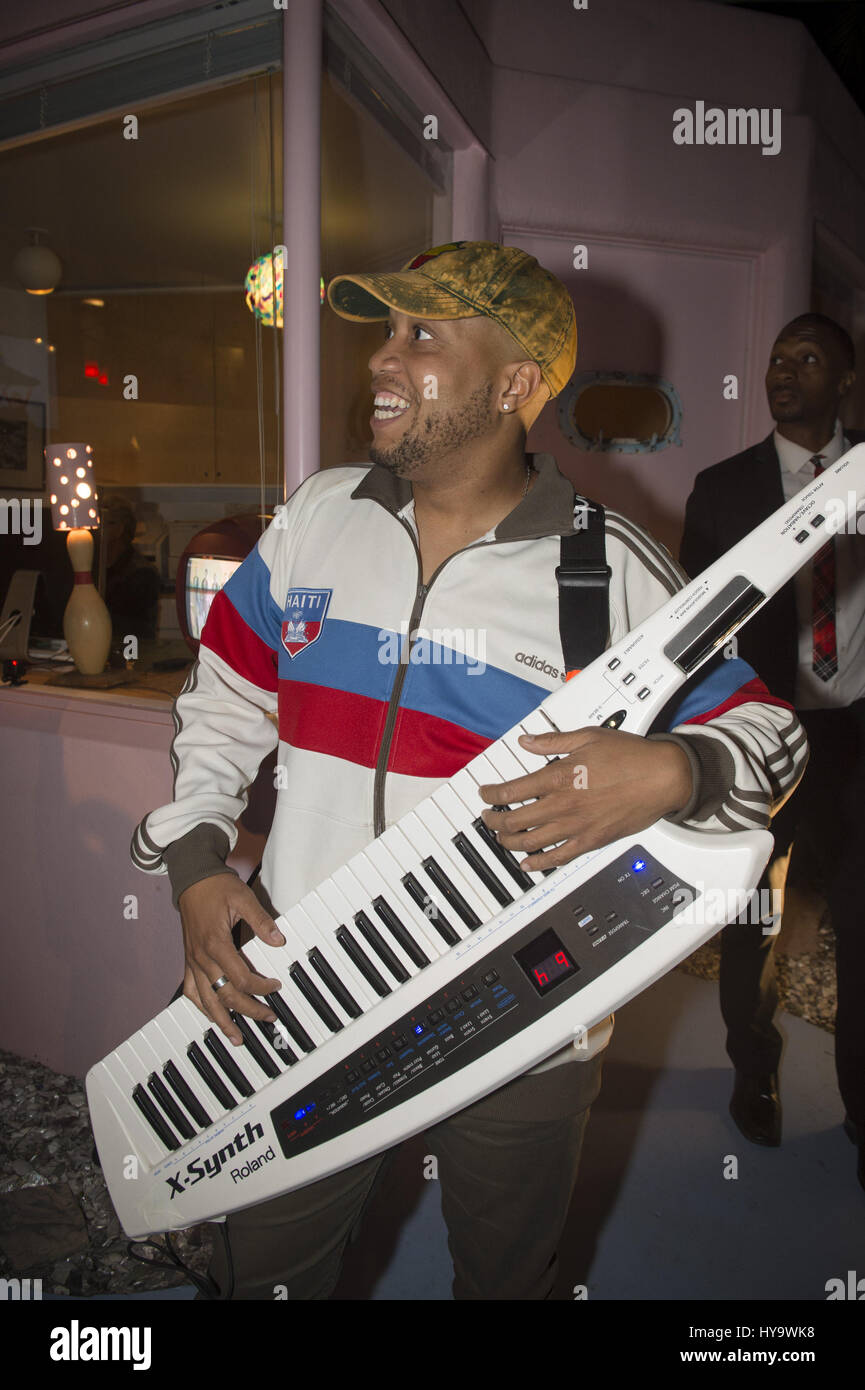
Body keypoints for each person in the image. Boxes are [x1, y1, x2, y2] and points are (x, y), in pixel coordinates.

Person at [131, 242, 807, 1298]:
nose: (381, 362)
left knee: (507, 1280)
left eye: (422, 336)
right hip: (305, 999)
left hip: (523, 1029)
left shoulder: (606, 568)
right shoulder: (316, 522)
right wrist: (197, 861)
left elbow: (771, 734)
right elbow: (222, 703)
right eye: (384, 333)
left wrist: (670, 771)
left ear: (515, 384)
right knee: (264, 1271)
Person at [680, 312, 865, 1189]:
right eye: (777, 358)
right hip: (768, 731)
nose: (784, 372)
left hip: (859, 731)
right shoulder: (721, 490)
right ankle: (752, 1068)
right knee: (753, 915)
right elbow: (692, 631)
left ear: (845, 380)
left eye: (809, 359)